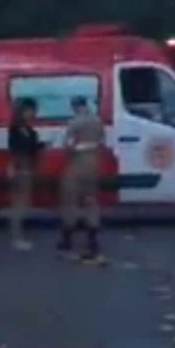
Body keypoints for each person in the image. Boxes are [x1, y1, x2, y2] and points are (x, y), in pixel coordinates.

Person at [59, 94, 104, 258]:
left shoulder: (75, 122)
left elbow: (69, 145)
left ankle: (67, 238)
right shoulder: (97, 121)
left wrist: (71, 153)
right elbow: (102, 143)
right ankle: (93, 239)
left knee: (71, 199)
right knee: (90, 200)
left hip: (78, 163)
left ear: (75, 106)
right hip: (93, 163)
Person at [5, 99, 44, 250]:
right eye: (31, 110)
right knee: (18, 204)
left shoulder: (27, 129)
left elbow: (31, 147)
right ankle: (16, 237)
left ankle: (18, 235)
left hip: (27, 168)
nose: (33, 114)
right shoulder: (16, 129)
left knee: (22, 203)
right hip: (20, 168)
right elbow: (18, 149)